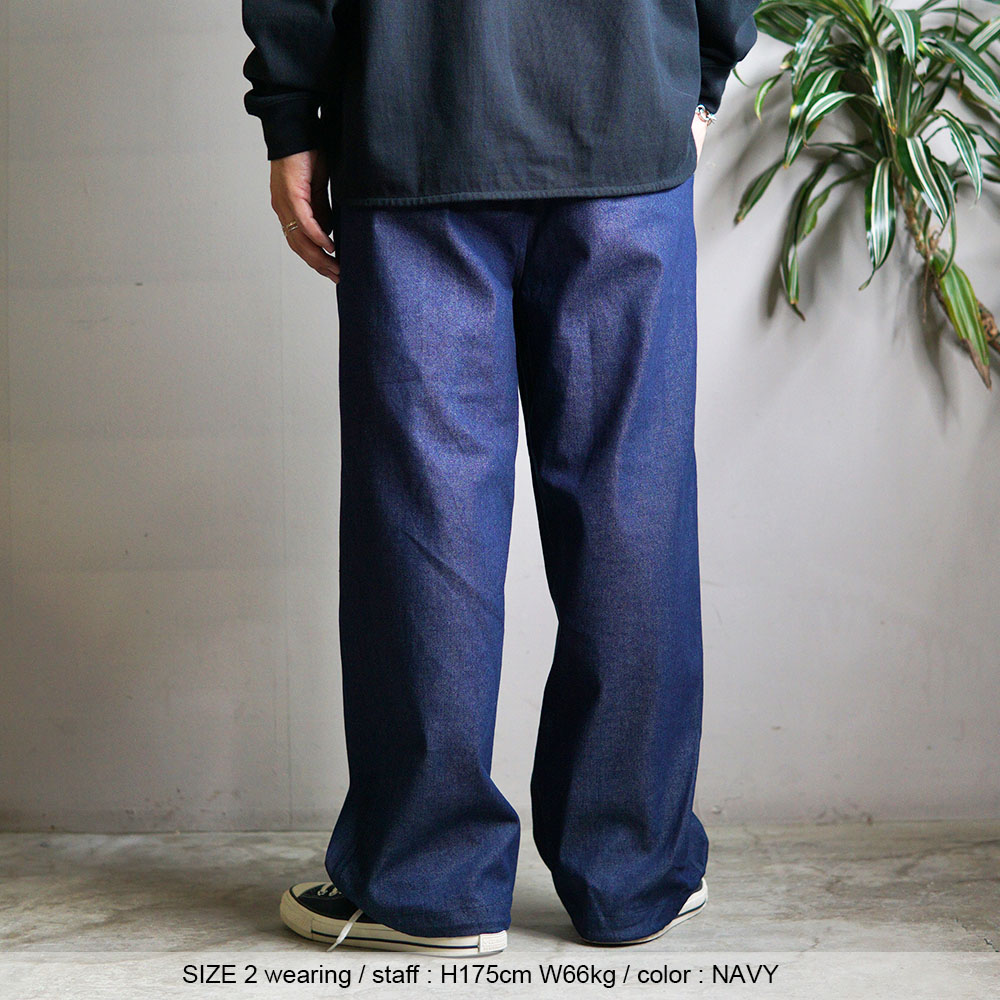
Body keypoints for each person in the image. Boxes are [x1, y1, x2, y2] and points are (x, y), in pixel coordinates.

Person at [242, 0, 760, 957]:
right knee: (631, 503)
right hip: (624, 122)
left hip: (416, 115)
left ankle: (428, 885)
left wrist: (291, 110)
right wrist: (698, 79)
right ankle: (632, 872)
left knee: (425, 509)